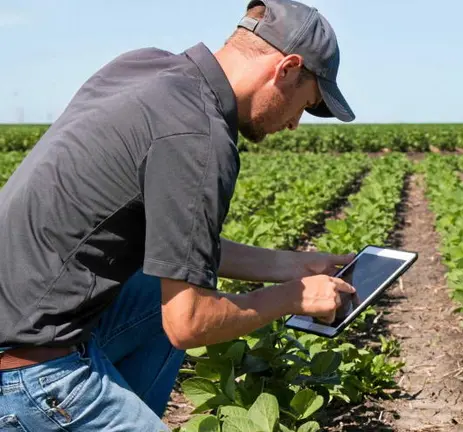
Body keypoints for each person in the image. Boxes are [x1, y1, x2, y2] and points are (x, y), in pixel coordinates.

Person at [0, 0, 357, 430]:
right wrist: (293, 297)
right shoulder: (200, 138)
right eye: (306, 102)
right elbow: (188, 324)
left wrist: (293, 265)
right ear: (287, 68)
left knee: (157, 287)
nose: (296, 123)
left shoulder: (144, 68)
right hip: (29, 376)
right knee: (181, 305)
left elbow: (180, 247)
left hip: (21, 328)